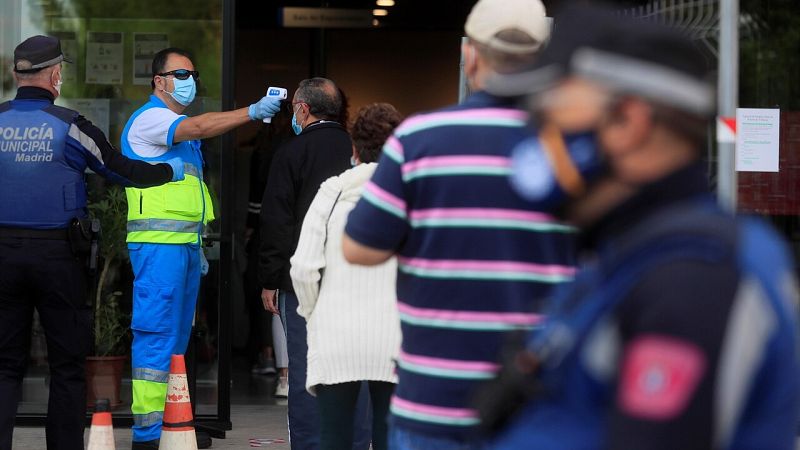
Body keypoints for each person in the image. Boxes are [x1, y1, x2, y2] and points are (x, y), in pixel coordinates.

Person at [478, 4, 800, 449]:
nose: (532, 132)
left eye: (550, 112)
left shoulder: (693, 280)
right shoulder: (631, 254)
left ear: (629, 122)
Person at [341, 0, 576, 448]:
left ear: (470, 56)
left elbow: (360, 247)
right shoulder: (573, 146)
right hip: (539, 405)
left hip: (433, 403)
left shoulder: (417, 141)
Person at [0, 35, 182, 450]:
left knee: (4, 366)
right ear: (56, 74)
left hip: (3, 255)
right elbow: (117, 168)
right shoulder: (69, 125)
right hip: (57, 259)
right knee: (66, 366)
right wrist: (169, 174)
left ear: (16, 74)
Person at [121, 47, 281, 450]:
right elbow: (200, 127)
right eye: (181, 73)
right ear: (159, 81)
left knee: (176, 341)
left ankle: (174, 424)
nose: (190, 79)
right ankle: (147, 434)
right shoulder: (153, 119)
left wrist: (195, 248)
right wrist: (252, 111)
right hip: (158, 248)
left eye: (193, 73)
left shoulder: (175, 129)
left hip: (182, 248)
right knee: (157, 336)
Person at [290, 103, 404, 450]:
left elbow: (303, 268)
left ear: (354, 149)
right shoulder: (412, 194)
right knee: (391, 438)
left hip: (336, 334)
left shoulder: (332, 191)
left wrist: (313, 314)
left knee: (334, 438)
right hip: (397, 336)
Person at [258, 77, 353, 449]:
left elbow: (276, 221)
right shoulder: (357, 148)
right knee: (356, 366)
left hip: (302, 281)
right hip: (355, 277)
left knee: (305, 368)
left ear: (302, 108)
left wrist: (269, 278)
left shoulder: (291, 152)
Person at [243, 105, 293, 396]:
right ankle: (289, 372)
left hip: (264, 228)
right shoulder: (296, 149)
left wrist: (250, 229)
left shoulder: (263, 149)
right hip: (292, 227)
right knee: (285, 298)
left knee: (267, 297)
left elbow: (254, 199)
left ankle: (268, 357)